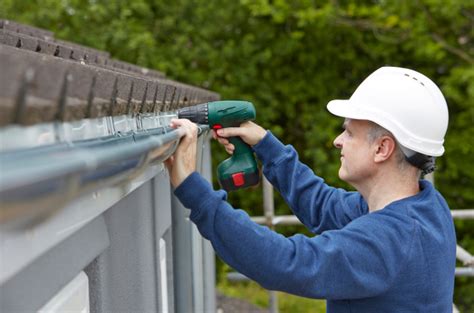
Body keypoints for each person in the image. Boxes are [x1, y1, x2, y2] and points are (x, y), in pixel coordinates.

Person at [165, 66, 456, 312]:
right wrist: (267, 146)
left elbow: (283, 262)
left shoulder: (389, 241)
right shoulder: (424, 207)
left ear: (382, 148)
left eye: (349, 132)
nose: (337, 141)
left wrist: (193, 187)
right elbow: (323, 206)